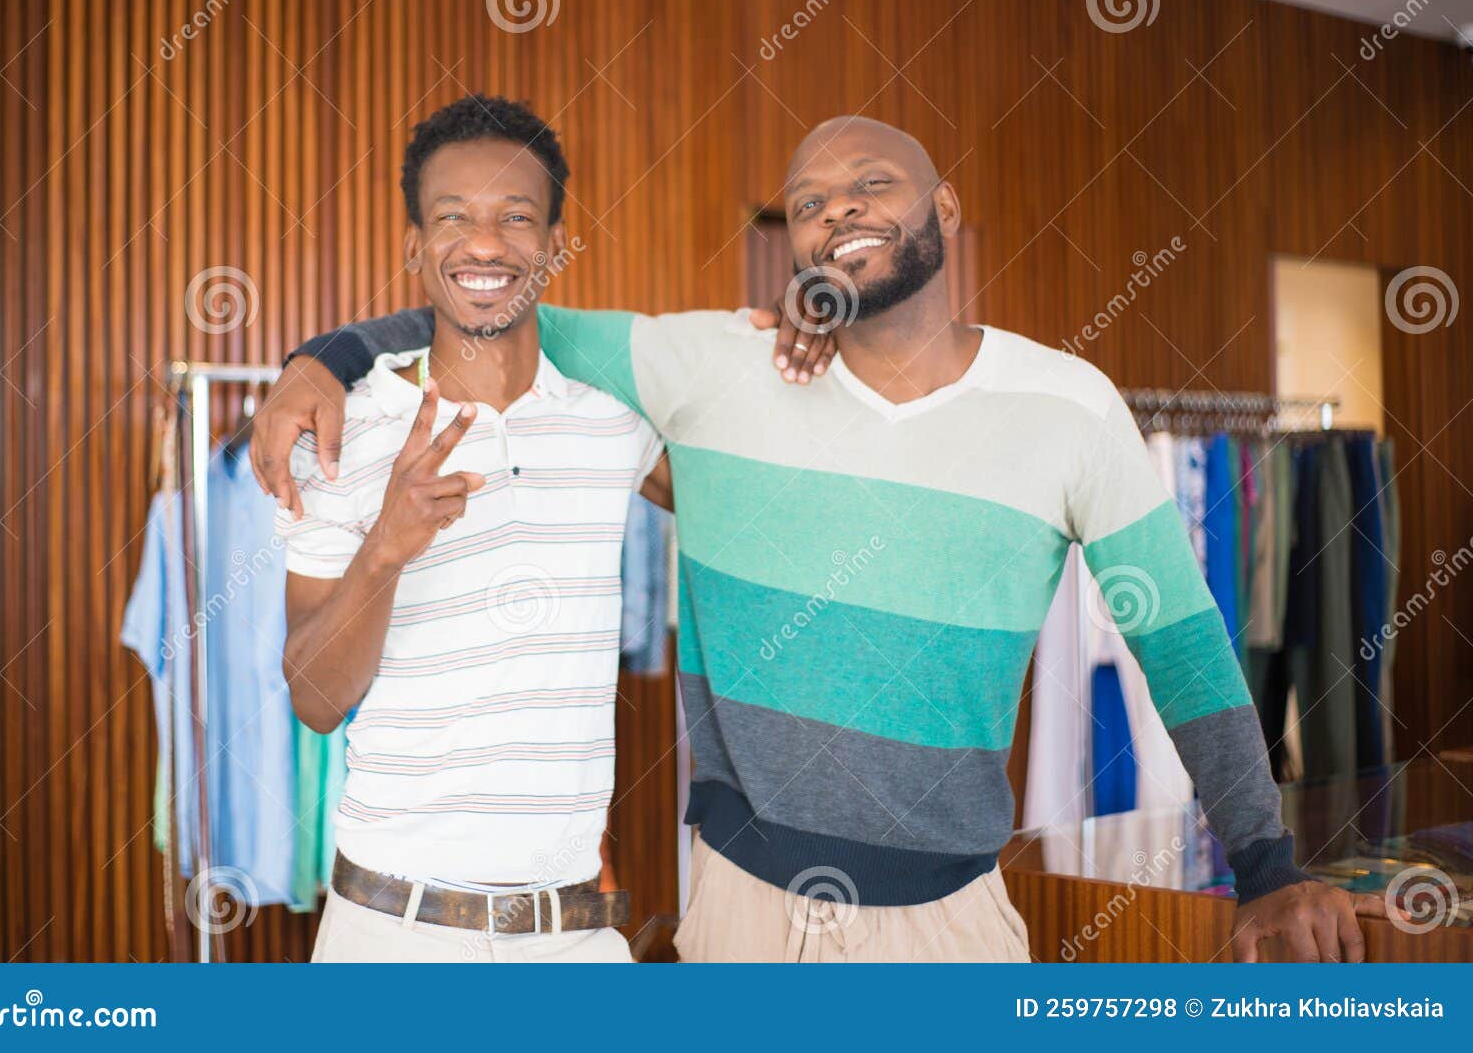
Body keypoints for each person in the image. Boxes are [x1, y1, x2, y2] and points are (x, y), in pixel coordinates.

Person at [256, 113, 1383, 962]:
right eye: (807, 202)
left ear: (944, 211)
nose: (836, 210)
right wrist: (325, 357)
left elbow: (1181, 648)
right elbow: (491, 304)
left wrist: (1266, 866)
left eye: (870, 186)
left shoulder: (1071, 406)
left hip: (949, 927)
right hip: (735, 913)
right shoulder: (710, 372)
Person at [276, 94, 669, 962]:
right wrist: (385, 547)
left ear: (555, 245)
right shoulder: (339, 433)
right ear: (416, 247)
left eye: (516, 218)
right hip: (390, 934)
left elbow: (753, 481)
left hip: (577, 937)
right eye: (454, 218)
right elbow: (314, 699)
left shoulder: (618, 427)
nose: (486, 244)